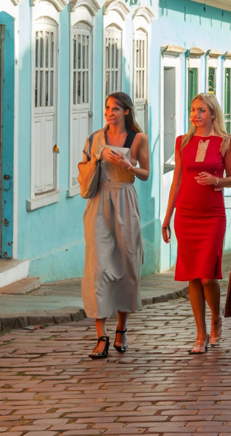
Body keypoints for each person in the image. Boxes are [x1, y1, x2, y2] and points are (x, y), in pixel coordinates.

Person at [77, 92, 150, 359]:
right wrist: (97, 158)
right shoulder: (94, 138)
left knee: (127, 265)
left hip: (125, 200)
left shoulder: (138, 139)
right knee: (97, 268)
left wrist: (128, 165)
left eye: (115, 109)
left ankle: (121, 328)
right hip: (98, 202)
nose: (110, 112)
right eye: (107, 107)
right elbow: (83, 170)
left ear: (127, 112)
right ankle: (100, 335)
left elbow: (145, 173)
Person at [161, 93, 231, 354]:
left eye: (201, 110)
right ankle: (201, 333)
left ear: (213, 114)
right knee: (192, 275)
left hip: (213, 215)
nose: (196, 114)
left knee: (207, 277)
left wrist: (217, 181)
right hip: (186, 214)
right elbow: (177, 181)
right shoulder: (183, 142)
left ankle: (216, 317)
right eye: (193, 110)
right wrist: (167, 216)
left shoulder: (226, 141)